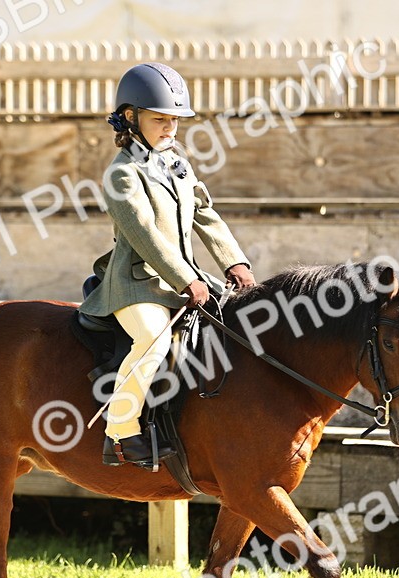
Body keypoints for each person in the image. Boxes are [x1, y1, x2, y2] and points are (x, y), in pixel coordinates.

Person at [79, 62, 255, 469]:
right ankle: (120, 434)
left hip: (186, 277)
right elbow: (147, 238)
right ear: (129, 117)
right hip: (135, 283)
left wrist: (235, 262)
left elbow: (206, 215)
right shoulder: (121, 175)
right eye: (160, 119)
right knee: (154, 340)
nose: (170, 128)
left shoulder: (176, 164)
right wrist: (187, 278)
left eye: (174, 120)